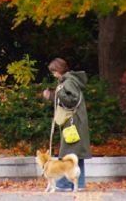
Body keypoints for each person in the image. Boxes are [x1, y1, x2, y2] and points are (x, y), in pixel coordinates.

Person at [42, 58, 91, 191]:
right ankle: (79, 184)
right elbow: (68, 99)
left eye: (53, 72)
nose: (53, 75)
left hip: (73, 122)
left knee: (68, 152)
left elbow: (71, 100)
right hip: (76, 121)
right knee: (76, 154)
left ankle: (64, 184)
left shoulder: (68, 82)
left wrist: (57, 92)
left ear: (58, 70)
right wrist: (53, 96)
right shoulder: (71, 81)